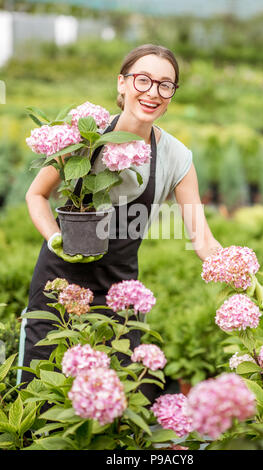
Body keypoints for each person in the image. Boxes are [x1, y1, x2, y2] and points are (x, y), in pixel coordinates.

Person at [18, 44, 222, 403]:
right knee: (40, 397)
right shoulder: (83, 137)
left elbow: (201, 237)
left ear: (172, 94)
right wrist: (55, 238)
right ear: (122, 84)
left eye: (165, 85)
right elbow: (37, 194)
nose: (153, 93)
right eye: (143, 80)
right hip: (58, 289)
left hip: (119, 297)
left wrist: (238, 267)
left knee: (117, 403)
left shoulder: (176, 156)